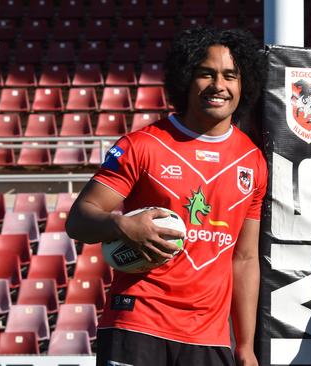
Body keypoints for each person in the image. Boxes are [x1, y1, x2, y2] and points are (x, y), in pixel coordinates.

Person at [66, 26, 267, 366]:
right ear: (186, 79)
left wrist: (245, 345)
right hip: (137, 323)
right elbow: (79, 219)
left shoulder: (253, 161)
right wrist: (123, 225)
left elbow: (245, 259)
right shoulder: (142, 145)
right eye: (206, 74)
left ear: (243, 85)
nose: (219, 86)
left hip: (209, 337)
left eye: (230, 76)